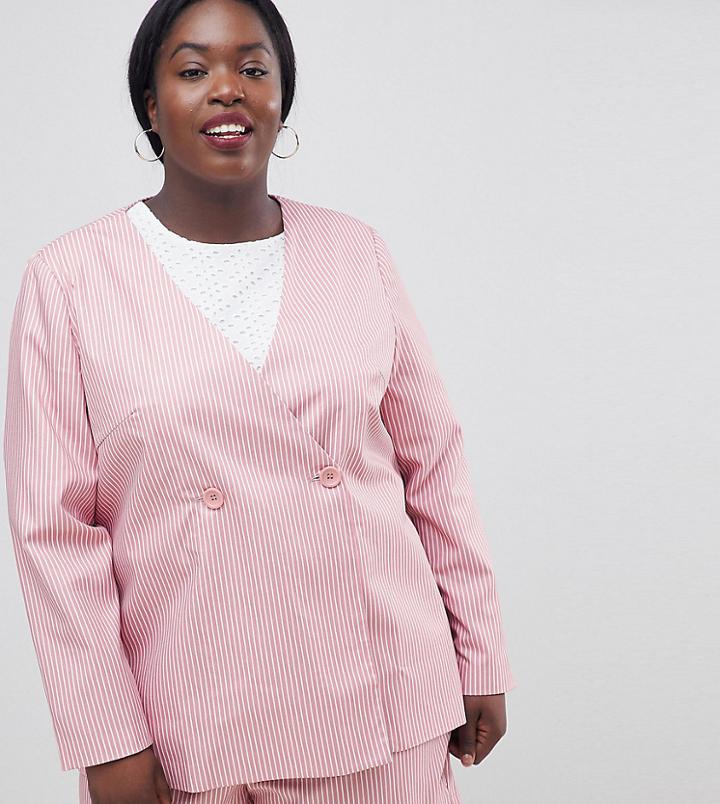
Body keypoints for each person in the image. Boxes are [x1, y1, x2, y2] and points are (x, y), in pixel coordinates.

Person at [2, 1, 517, 802]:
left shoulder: (355, 251)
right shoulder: (68, 280)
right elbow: (54, 532)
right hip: (193, 726)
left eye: (253, 68)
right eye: (193, 69)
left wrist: (479, 651)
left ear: (282, 98)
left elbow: (434, 465)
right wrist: (107, 738)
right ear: (151, 106)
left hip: (390, 703)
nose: (227, 89)